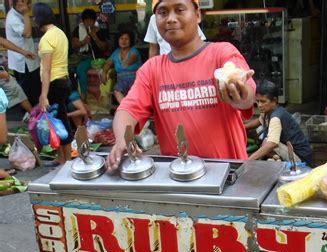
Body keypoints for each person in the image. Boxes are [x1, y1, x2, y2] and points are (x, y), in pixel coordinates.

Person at [106, 0, 256, 170]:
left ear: (197, 14)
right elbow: (128, 110)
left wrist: (240, 95)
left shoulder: (222, 53)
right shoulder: (152, 69)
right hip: (178, 177)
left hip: (229, 174)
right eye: (162, 13)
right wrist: (121, 140)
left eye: (179, 10)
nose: (170, 19)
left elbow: (247, 95)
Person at [33, 3, 74, 166]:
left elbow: (47, 69)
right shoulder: (60, 33)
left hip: (54, 83)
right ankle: (62, 157)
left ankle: (67, 160)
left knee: (60, 121)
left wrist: (43, 95)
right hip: (64, 80)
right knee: (57, 120)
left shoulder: (46, 38)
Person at [245, 83, 312, 164]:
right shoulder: (268, 111)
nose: (259, 105)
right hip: (288, 149)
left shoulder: (276, 118)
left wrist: (248, 161)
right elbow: (259, 121)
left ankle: (278, 160)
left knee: (267, 142)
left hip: (300, 158)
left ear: (274, 100)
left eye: (263, 101)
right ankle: (276, 158)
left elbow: (272, 144)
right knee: (264, 140)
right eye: (257, 101)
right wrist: (242, 128)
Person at [6, 0, 41, 107]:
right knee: (30, 92)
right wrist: (26, 14)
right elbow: (27, 34)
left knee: (34, 88)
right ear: (19, 4)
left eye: (29, 3)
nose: (28, 6)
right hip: (23, 62)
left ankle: (35, 113)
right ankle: (32, 115)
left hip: (27, 58)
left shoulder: (17, 14)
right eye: (26, 3)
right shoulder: (13, 18)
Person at [71, 9, 109, 101]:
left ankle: (83, 95)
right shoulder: (79, 29)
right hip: (80, 56)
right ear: (83, 21)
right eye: (86, 20)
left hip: (94, 58)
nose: (88, 22)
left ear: (94, 20)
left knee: (81, 69)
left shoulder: (100, 30)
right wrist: (83, 42)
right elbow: (74, 44)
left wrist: (94, 37)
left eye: (90, 20)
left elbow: (104, 47)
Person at [102, 29, 142, 103]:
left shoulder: (134, 51)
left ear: (130, 41)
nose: (123, 41)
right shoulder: (115, 52)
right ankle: (126, 108)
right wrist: (104, 72)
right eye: (121, 38)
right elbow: (108, 63)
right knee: (117, 91)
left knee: (135, 94)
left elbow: (133, 58)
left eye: (126, 39)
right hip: (121, 81)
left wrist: (126, 62)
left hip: (135, 80)